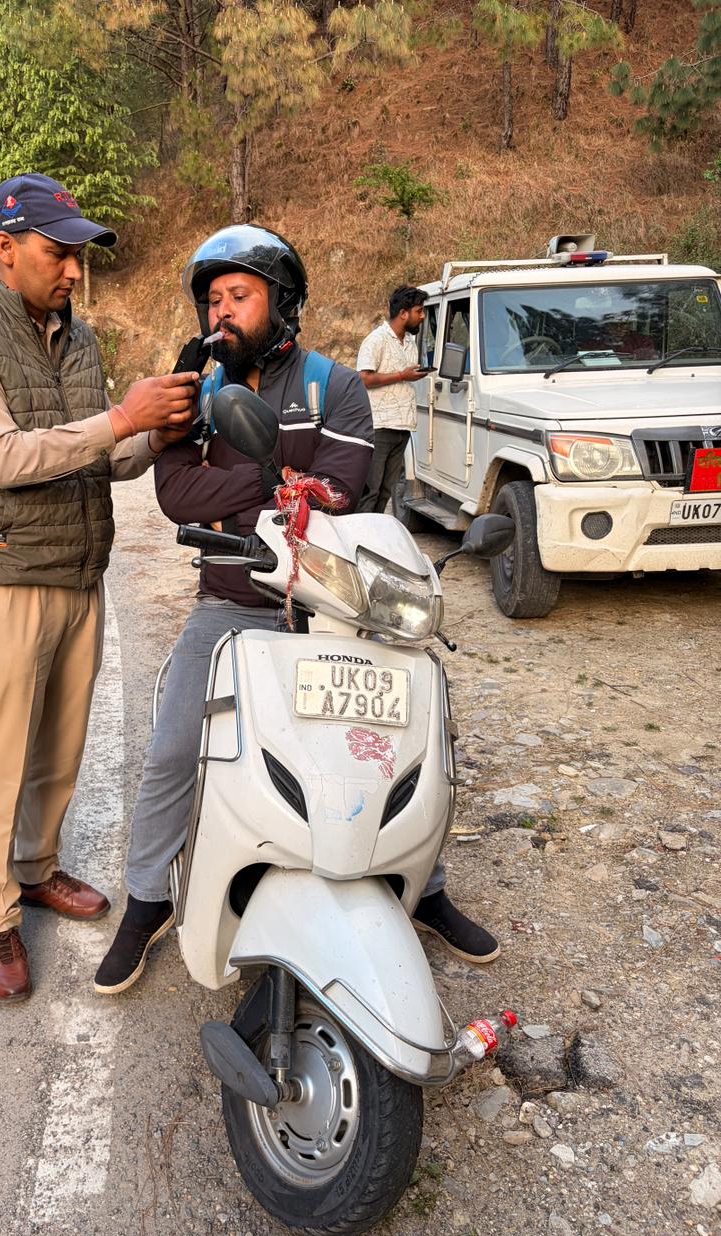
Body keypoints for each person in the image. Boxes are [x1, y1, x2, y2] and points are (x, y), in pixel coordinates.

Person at [94, 227, 499, 997]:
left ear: (283, 304)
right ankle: (147, 898)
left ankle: (426, 881)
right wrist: (277, 483)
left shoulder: (333, 385)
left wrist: (251, 487)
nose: (222, 313)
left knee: (415, 735)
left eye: (239, 296)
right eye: (213, 299)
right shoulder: (198, 390)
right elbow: (176, 494)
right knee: (175, 745)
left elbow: (344, 485)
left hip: (335, 605)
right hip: (232, 601)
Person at [0, 172, 199, 1003]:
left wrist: (155, 428)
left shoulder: (76, 338)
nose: (74, 271)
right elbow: (4, 457)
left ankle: (36, 869)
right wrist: (121, 418)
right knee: (4, 757)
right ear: (5, 249)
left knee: (60, 751)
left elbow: (106, 458)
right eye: (59, 253)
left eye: (79, 256)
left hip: (81, 572)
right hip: (5, 577)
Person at [356, 286, 430, 515]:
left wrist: (414, 374)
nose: (423, 316)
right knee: (371, 489)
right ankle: (360, 538)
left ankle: (377, 538)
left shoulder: (409, 341)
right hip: (380, 426)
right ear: (404, 313)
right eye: (419, 311)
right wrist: (402, 375)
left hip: (402, 426)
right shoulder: (376, 340)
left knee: (386, 490)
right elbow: (363, 378)